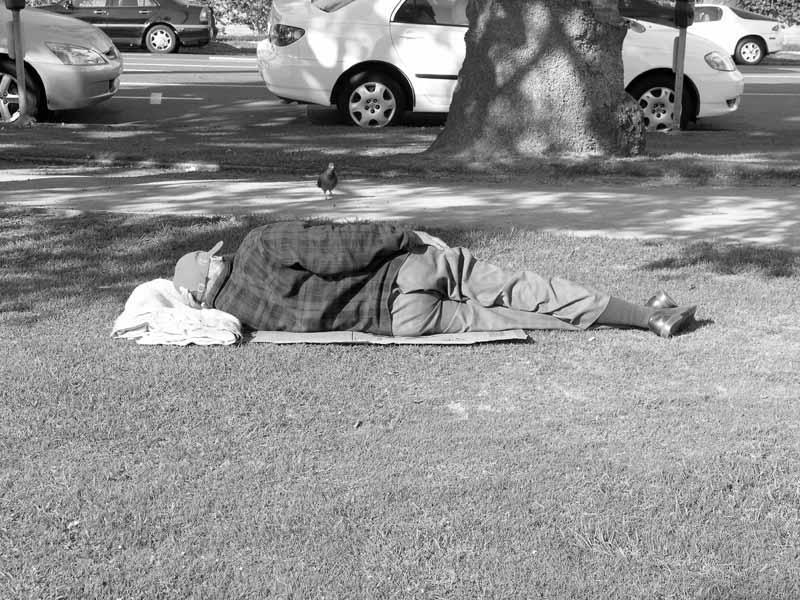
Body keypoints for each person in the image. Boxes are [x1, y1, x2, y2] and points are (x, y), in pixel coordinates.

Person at [172, 221, 697, 338]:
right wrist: (407, 237)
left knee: (509, 315)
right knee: (521, 287)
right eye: (213, 257)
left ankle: (639, 318)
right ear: (213, 264)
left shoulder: (237, 316)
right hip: (406, 272)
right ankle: (647, 314)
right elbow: (338, 248)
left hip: (400, 321)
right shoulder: (259, 246)